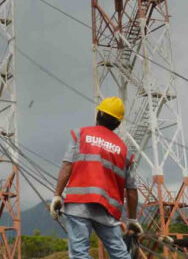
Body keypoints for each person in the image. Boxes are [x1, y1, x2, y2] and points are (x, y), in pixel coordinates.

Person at [50, 97, 142, 259]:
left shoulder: (80, 134)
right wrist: (132, 219)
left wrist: (57, 194)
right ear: (118, 123)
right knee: (120, 253)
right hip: (108, 210)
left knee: (79, 254)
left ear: (99, 114)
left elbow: (67, 166)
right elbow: (132, 190)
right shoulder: (125, 151)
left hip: (78, 204)